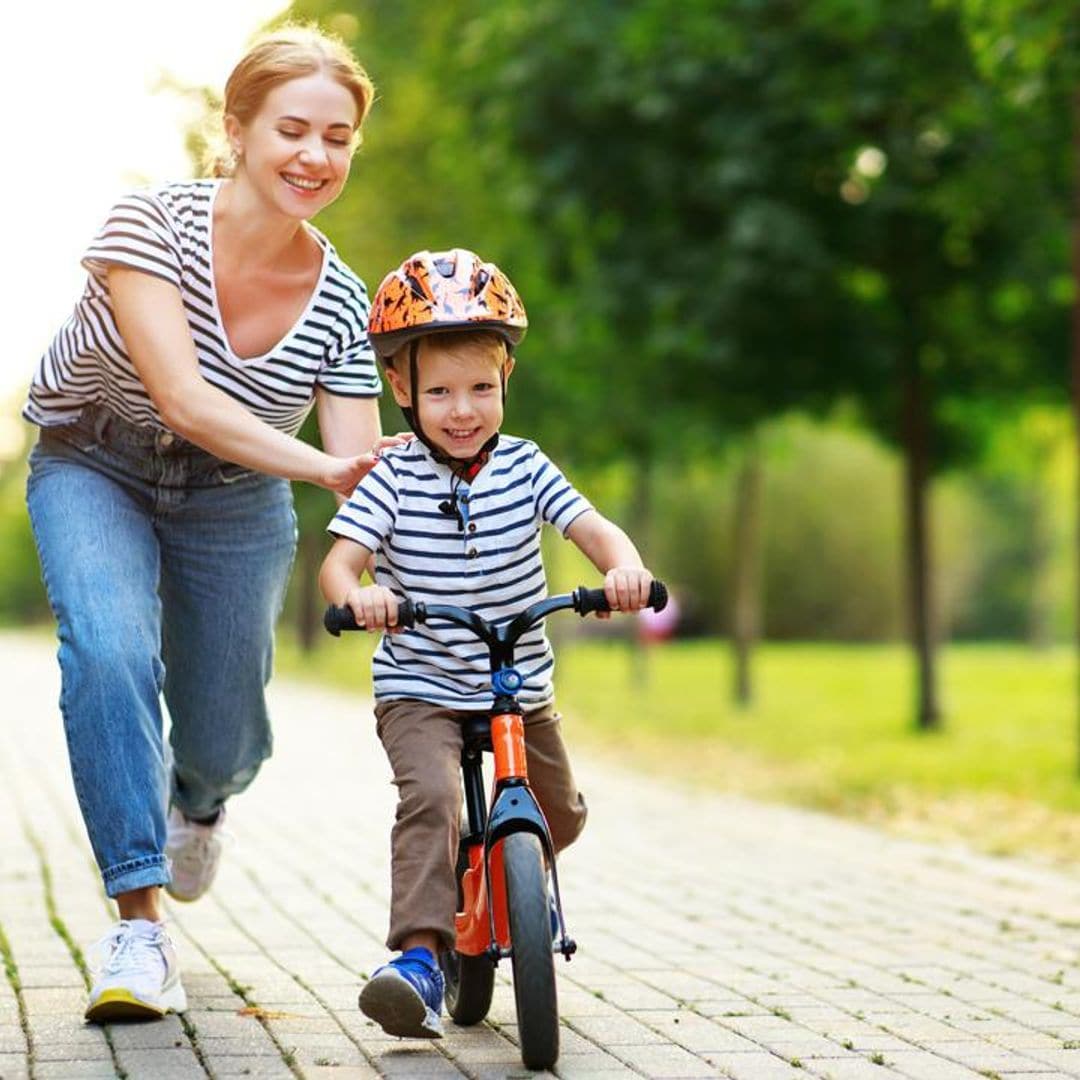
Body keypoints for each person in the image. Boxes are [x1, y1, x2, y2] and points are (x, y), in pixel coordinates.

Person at [24, 26, 400, 1023]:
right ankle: (138, 926)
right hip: (92, 460)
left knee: (225, 722)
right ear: (235, 131)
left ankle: (203, 801)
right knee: (107, 652)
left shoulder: (343, 302)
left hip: (237, 496)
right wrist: (324, 463)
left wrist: (379, 563)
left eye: (338, 137)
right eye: (292, 130)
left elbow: (362, 478)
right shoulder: (145, 227)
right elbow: (183, 398)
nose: (316, 156)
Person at [319, 248, 655, 1039]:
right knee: (431, 801)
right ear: (401, 390)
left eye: (479, 387)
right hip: (422, 687)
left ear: (506, 376)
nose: (461, 409)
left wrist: (626, 570)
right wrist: (361, 597)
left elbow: (592, 528)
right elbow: (339, 564)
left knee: (561, 815)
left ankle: (502, 882)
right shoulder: (392, 479)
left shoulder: (527, 467)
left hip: (517, 685)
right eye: (438, 391)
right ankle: (420, 960)